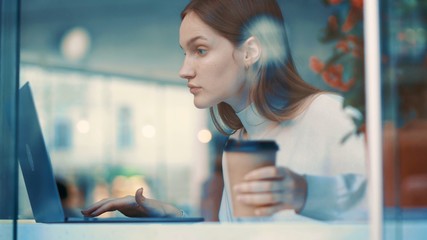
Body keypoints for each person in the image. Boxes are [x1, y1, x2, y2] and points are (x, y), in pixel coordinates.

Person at [82, 0, 367, 222]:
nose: (184, 70)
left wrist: (304, 192)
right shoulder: (237, 144)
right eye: (185, 52)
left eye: (200, 50)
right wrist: (172, 217)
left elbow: (374, 211)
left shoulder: (329, 114)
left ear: (250, 52)